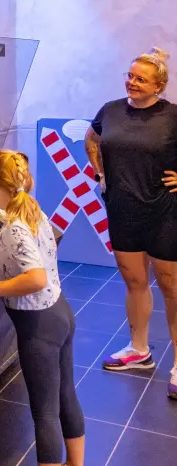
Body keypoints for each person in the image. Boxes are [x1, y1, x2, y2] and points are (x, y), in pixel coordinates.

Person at [0, 151, 87, 466]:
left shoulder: (14, 228)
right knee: (66, 396)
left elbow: (35, 277)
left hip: (39, 326)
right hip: (60, 312)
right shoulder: (33, 211)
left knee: (45, 412)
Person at [85, 48, 177, 399]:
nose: (132, 82)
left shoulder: (172, 116)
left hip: (165, 212)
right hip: (122, 210)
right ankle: (139, 350)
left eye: (141, 79)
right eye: (130, 75)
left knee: (171, 287)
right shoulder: (110, 111)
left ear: (159, 86)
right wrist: (100, 172)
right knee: (135, 282)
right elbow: (92, 138)